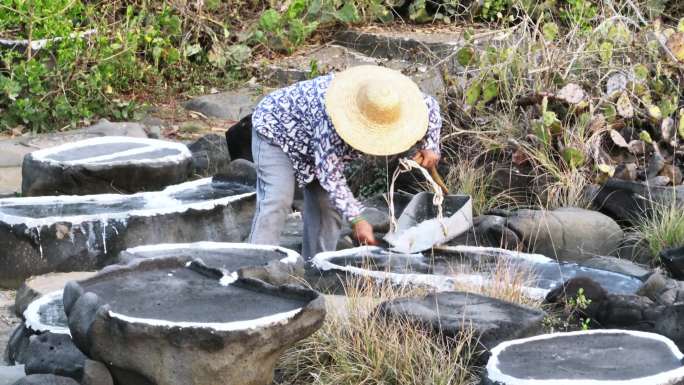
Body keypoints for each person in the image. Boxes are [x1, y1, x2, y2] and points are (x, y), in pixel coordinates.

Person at [249, 65, 442, 260]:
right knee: (277, 198)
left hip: (313, 137)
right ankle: (254, 267)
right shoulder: (333, 118)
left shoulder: (395, 102)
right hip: (276, 130)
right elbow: (330, 177)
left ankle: (315, 268)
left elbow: (431, 106)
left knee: (328, 208)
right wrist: (358, 219)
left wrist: (430, 145)